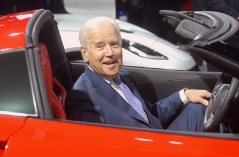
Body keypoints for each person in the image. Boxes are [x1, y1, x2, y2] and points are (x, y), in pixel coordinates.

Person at [65, 16, 211, 132]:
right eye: (100, 46)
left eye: (114, 44)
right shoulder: (82, 97)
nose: (110, 53)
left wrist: (185, 95)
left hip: (158, 140)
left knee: (197, 110)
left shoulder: (122, 76)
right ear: (85, 54)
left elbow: (149, 116)